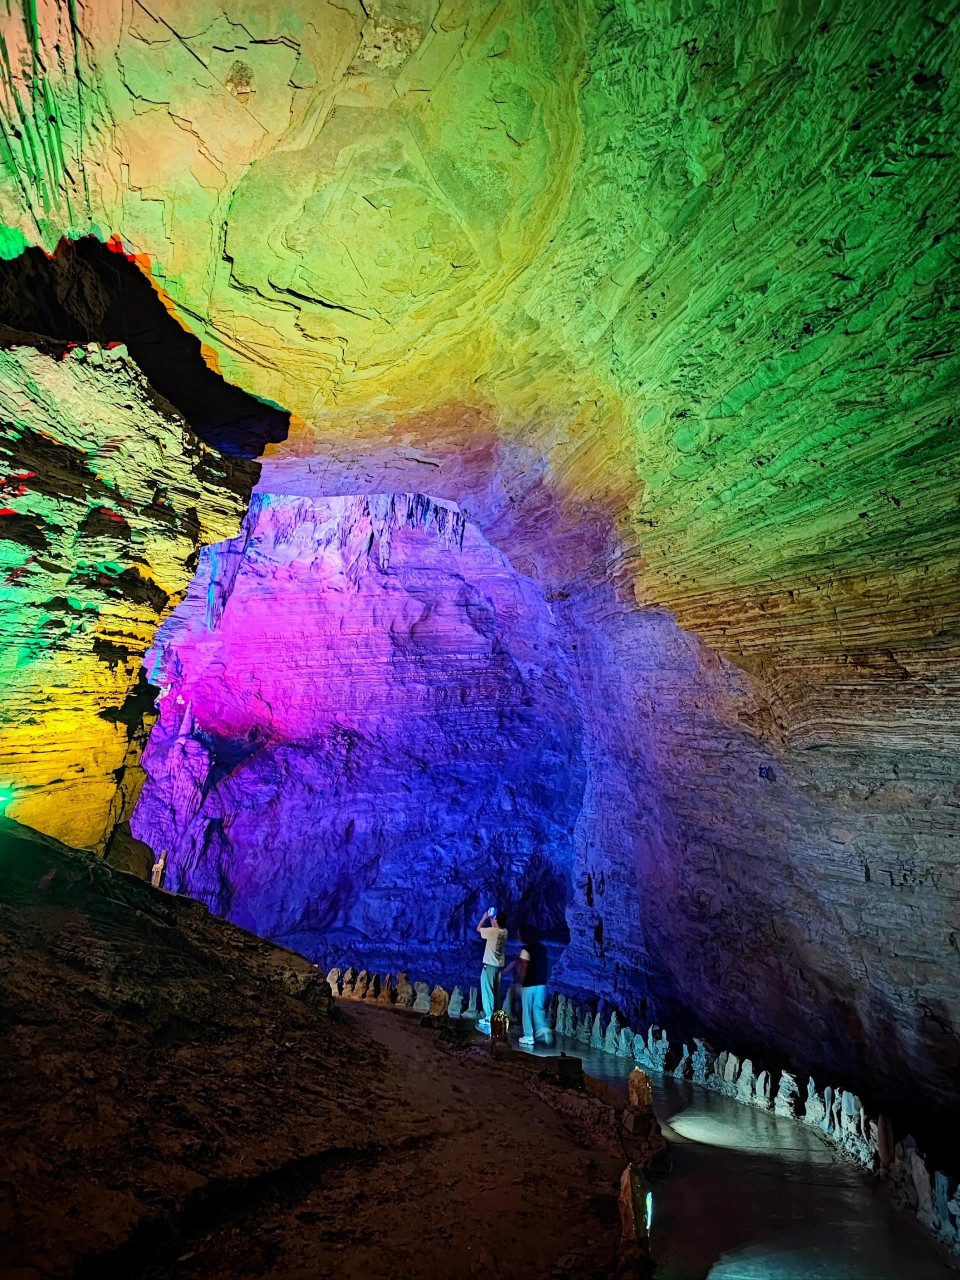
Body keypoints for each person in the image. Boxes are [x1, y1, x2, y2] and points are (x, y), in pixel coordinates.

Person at [516, 925, 553, 1048]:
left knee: (527, 1010)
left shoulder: (525, 950)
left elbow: (523, 967)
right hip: (541, 984)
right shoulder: (542, 949)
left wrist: (520, 981)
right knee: (538, 1008)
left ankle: (528, 1035)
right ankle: (543, 1029)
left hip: (529, 984)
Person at [476, 906, 507, 1034]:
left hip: (489, 966)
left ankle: (489, 1017)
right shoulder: (504, 931)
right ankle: (496, 1015)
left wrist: (485, 917)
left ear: (496, 922)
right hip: (499, 966)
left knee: (488, 991)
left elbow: (478, 929)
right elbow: (495, 928)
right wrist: (493, 920)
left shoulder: (493, 932)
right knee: (496, 991)